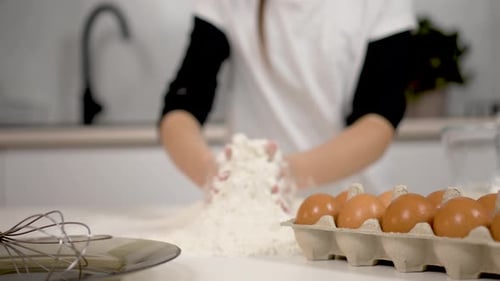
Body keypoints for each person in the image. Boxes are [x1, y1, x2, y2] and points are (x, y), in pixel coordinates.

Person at [159, 0, 416, 191]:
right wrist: (211, 173)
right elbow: (184, 101)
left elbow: (379, 119)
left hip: (351, 204)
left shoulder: (380, 4)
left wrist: (285, 174)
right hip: (252, 207)